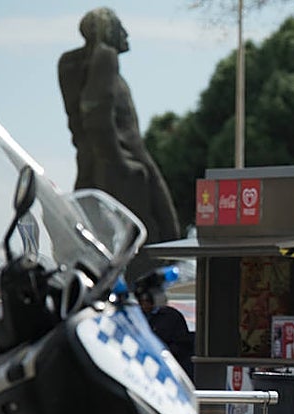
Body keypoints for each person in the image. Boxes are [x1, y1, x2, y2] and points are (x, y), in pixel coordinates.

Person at [57, 8, 179, 280]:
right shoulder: (105, 57)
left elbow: (79, 121)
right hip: (122, 165)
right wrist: (120, 161)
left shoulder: (74, 65)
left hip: (95, 164)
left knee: (109, 240)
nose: (126, 34)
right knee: (151, 238)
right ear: (107, 31)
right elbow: (95, 112)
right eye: (120, 27)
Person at [133, 268, 194, 377]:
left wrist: (162, 354)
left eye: (147, 301)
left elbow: (182, 345)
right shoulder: (135, 316)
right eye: (141, 301)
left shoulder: (171, 317)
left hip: (168, 368)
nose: (144, 305)